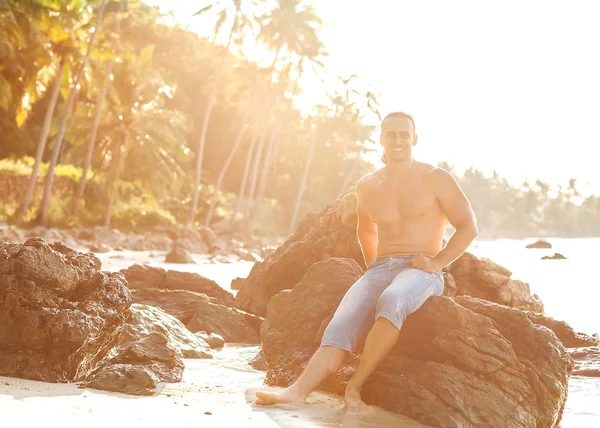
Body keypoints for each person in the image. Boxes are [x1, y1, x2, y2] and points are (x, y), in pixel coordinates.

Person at [256, 111, 479, 411]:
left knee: (393, 299)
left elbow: (469, 226)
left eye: (404, 134)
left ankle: (355, 386)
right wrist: (373, 267)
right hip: (380, 267)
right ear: (382, 139)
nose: (398, 140)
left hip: (420, 270)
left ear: (414, 139)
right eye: (391, 135)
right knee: (340, 324)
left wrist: (437, 263)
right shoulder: (368, 185)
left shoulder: (435, 178)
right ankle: (297, 391)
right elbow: (366, 229)